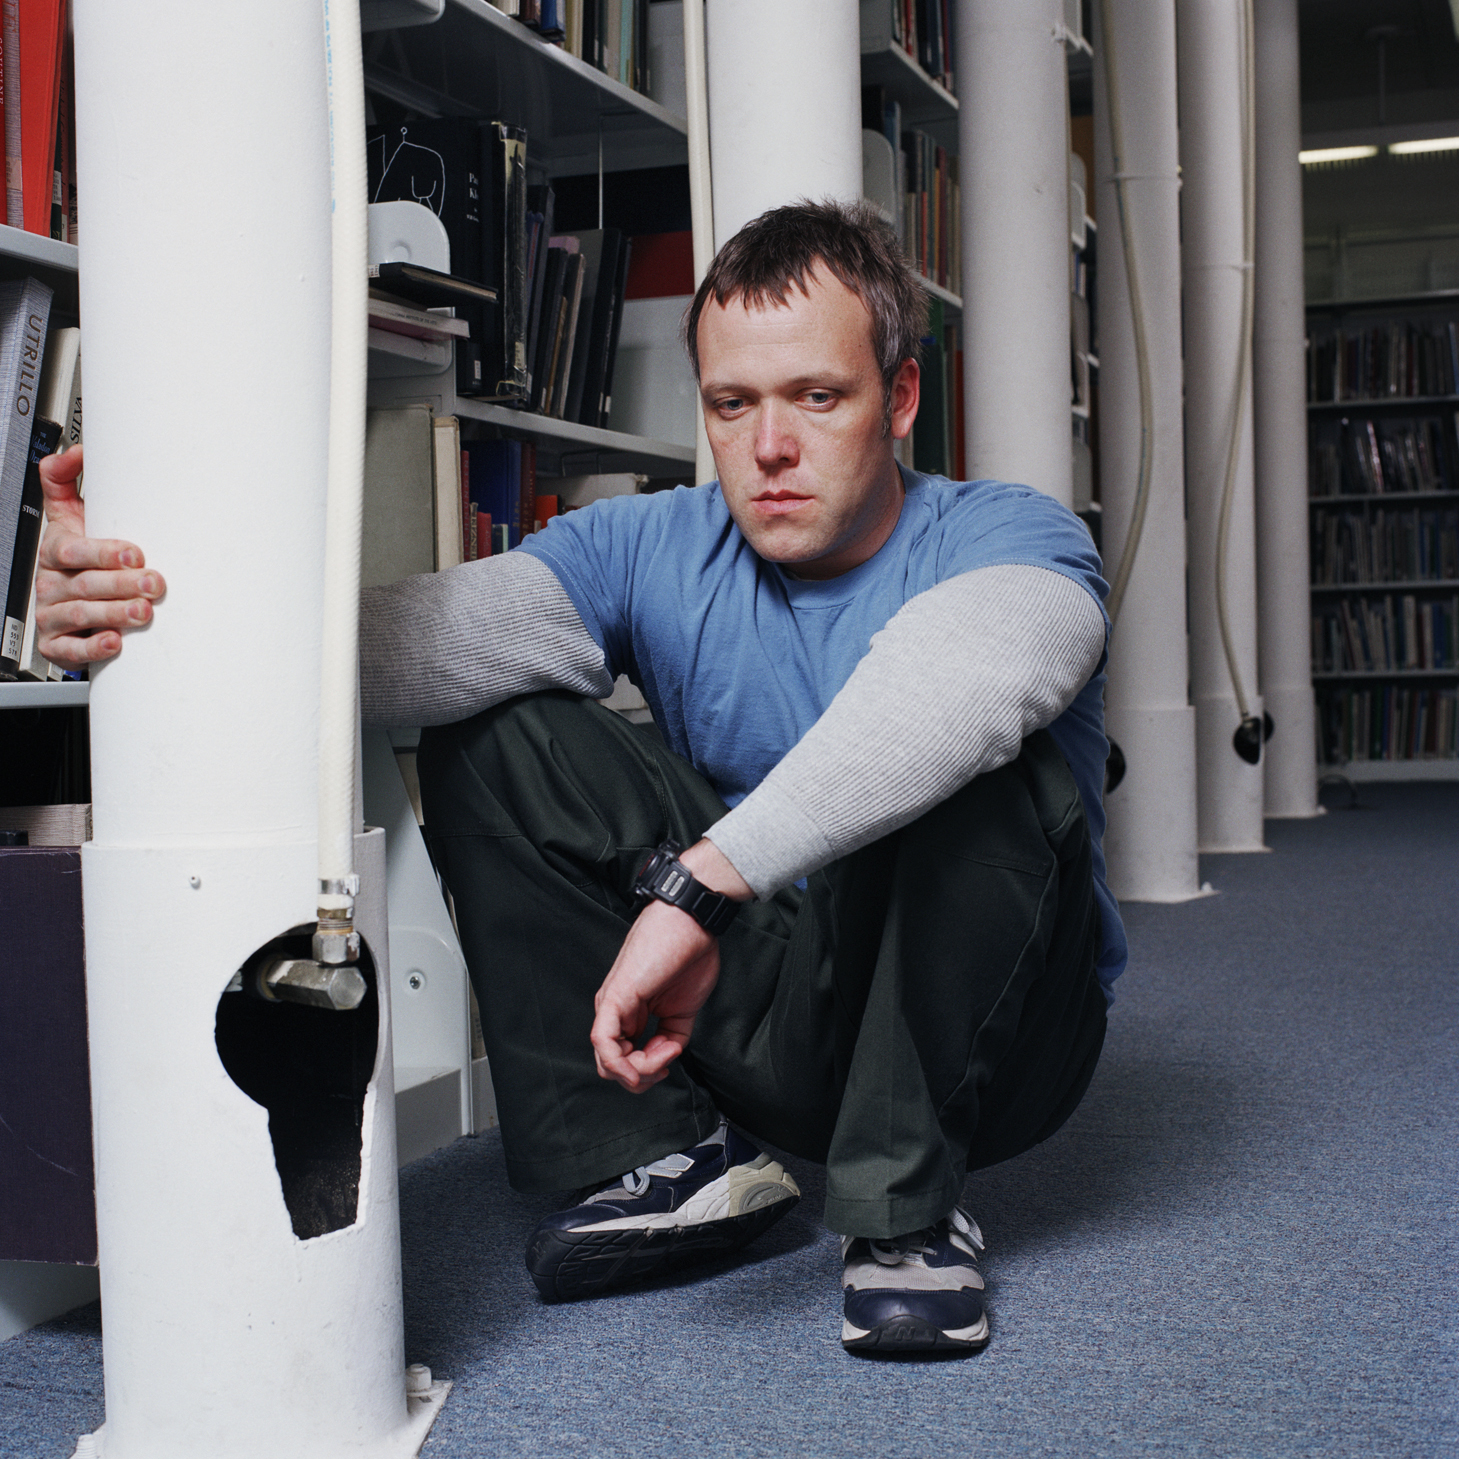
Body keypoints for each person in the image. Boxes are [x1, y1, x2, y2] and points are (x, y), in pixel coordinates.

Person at [36, 199, 1124, 1356]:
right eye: (730, 403)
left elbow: (959, 689)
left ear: (897, 399)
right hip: (779, 1006)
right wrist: (147, 607)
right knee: (493, 735)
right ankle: (658, 1154)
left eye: (817, 397)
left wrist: (703, 884)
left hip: (1003, 1042)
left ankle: (907, 1213)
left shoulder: (1016, 536)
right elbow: (395, 653)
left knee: (975, 774)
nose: (769, 447)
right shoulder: (646, 545)